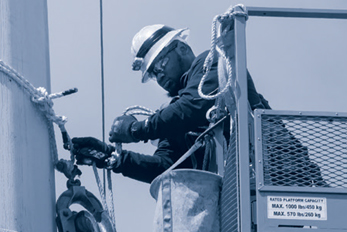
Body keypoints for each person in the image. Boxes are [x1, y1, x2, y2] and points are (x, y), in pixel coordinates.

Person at [71, 24, 326, 186]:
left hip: (284, 171)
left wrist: (139, 129)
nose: (159, 76)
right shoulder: (175, 117)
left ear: (181, 48)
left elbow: (197, 105)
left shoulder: (214, 64)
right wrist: (115, 159)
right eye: (153, 74)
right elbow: (165, 167)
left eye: (160, 65)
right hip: (241, 189)